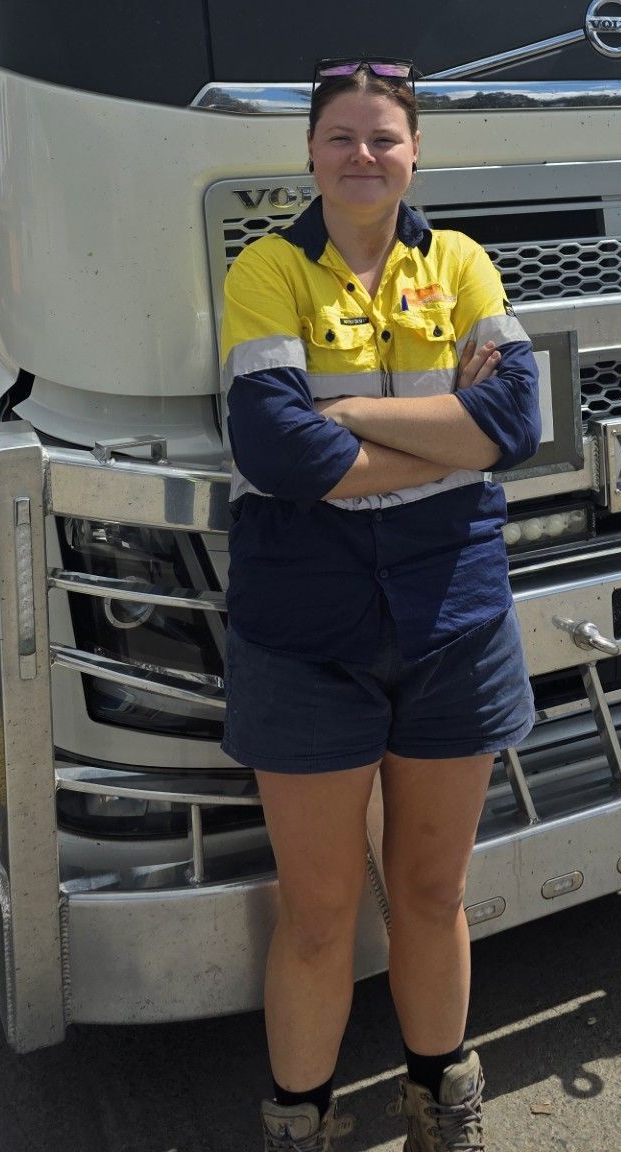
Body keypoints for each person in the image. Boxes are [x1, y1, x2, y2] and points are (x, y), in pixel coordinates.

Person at [218, 58, 543, 1151]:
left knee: (431, 890)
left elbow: (522, 422)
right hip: (306, 628)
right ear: (308, 154)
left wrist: (349, 419)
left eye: (385, 138)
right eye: (342, 137)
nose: (364, 155)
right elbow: (273, 447)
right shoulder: (266, 270)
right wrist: (451, 440)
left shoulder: (459, 263)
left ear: (417, 155)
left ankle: (438, 1097)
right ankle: (299, 1123)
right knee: (315, 914)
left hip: (453, 612)